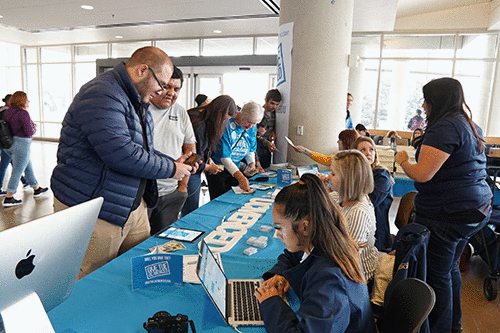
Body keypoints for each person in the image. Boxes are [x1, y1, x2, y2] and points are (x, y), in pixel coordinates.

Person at [51, 46, 193, 279]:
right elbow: (121, 154)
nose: (162, 91)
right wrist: (171, 169)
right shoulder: (101, 93)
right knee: (92, 278)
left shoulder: (137, 99)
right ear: (142, 70)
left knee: (135, 271)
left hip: (131, 204)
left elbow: (141, 148)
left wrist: (172, 162)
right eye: (162, 83)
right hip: (97, 208)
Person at [395, 78, 492, 333]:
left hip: (449, 214)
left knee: (438, 274)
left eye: (425, 100)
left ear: (435, 101)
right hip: (475, 209)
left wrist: (403, 160)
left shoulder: (444, 127)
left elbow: (423, 174)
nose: (423, 106)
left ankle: (441, 328)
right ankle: (453, 325)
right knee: (449, 269)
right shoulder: (471, 125)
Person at [254, 173, 376, 333]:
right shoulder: (324, 240)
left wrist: (272, 303)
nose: (278, 235)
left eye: (280, 228)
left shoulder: (329, 281)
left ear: (304, 227)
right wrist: (282, 274)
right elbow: (292, 256)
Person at [148, 66, 197, 235]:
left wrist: (183, 186)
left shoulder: (180, 111)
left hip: (172, 191)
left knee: (164, 242)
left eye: (176, 89)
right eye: (166, 87)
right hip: (144, 194)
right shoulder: (141, 109)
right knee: (139, 245)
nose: (171, 93)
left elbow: (190, 146)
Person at [181, 95, 237, 217]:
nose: (223, 122)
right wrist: (207, 167)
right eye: (223, 119)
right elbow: (193, 157)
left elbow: (205, 149)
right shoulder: (199, 124)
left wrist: (209, 158)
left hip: (195, 170)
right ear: (218, 113)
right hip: (189, 171)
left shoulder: (207, 121)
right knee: (190, 210)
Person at [328, 150, 379, 283]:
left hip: (357, 277)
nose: (328, 177)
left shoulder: (358, 212)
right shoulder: (340, 197)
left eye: (333, 174)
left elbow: (348, 258)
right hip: (342, 265)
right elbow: (316, 203)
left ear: (348, 179)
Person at [207, 101, 264, 199]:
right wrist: (240, 177)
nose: (250, 126)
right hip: (219, 169)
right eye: (249, 122)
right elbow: (225, 158)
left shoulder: (252, 127)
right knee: (220, 200)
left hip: (236, 169)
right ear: (241, 114)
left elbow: (251, 148)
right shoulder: (226, 125)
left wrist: (252, 165)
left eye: (254, 124)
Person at [2, 91, 48, 206]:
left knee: (27, 165)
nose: (28, 101)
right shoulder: (23, 113)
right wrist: (33, 126)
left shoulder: (8, 111)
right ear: (22, 100)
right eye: (27, 99)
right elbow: (29, 131)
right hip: (22, 143)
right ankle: (9, 197)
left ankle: (36, 188)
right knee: (17, 170)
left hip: (10, 143)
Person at [353, 136, 394, 251]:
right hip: (361, 225)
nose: (368, 153)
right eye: (363, 150)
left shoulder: (382, 176)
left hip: (375, 235)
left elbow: (369, 203)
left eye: (371, 150)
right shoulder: (358, 174)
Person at [0, 94, 28, 195]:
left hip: (4, 142)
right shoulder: (8, 112)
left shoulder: (2, 110)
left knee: (15, 163)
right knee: (6, 165)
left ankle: (26, 181)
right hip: (10, 142)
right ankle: (7, 192)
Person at [293, 129, 359, 166]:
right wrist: (304, 150)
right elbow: (325, 159)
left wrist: (304, 150)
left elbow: (325, 160)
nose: (337, 141)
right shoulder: (340, 155)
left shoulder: (348, 160)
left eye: (340, 139)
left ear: (345, 141)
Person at [256, 89, 281, 169]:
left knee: (266, 171)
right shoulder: (258, 113)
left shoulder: (275, 113)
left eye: (277, 104)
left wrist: (273, 131)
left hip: (267, 147)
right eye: (272, 103)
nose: (274, 107)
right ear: (265, 100)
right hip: (256, 147)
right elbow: (254, 135)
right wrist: (267, 142)